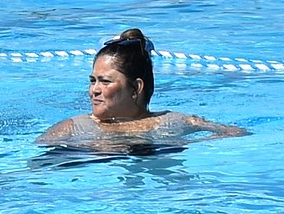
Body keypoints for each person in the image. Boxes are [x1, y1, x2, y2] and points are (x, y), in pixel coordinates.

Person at [37, 28, 248, 148]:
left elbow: (237, 133)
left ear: (136, 88)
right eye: (93, 81)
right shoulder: (73, 128)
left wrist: (195, 143)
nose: (94, 90)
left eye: (105, 81)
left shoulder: (175, 121)